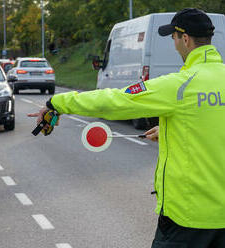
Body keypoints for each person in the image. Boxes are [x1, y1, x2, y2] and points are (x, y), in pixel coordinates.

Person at [28, 8, 225, 247]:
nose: (174, 44)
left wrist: (58, 102)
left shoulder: (180, 85)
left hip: (188, 217)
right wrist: (169, 131)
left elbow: (116, 101)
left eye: (173, 37)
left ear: (185, 39)